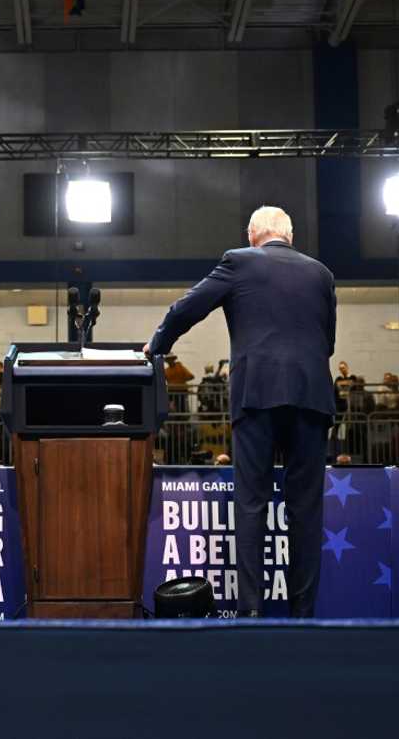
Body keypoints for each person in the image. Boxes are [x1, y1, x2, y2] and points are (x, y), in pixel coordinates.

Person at [144, 206, 335, 618]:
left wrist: (157, 345)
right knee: (306, 510)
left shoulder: (239, 261)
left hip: (256, 396)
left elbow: (188, 308)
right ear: (291, 234)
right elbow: (328, 341)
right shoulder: (322, 273)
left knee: (252, 505)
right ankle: (304, 616)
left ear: (253, 235)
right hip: (312, 396)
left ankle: (251, 613)